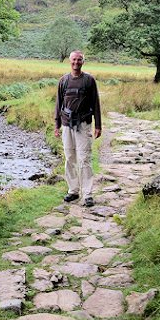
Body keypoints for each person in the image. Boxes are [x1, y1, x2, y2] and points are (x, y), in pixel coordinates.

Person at [54, 50, 102, 207]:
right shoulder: (63, 81)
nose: (76, 62)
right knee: (70, 158)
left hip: (83, 124)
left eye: (79, 60)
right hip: (67, 125)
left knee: (85, 158)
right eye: (74, 59)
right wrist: (57, 125)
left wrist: (98, 125)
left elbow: (95, 103)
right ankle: (73, 191)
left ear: (83, 62)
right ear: (70, 61)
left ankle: (87, 194)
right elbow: (58, 104)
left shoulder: (89, 80)